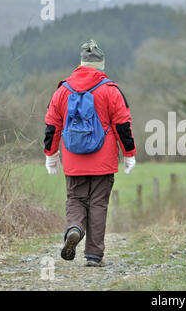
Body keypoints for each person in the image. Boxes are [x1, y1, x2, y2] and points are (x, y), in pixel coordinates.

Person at [44, 39, 137, 267]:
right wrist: (129, 154)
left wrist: (51, 154)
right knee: (98, 204)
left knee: (75, 198)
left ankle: (75, 228)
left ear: (81, 64)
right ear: (101, 65)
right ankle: (94, 255)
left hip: (73, 159)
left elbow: (52, 126)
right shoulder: (110, 90)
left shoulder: (62, 91)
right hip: (103, 161)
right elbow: (123, 125)